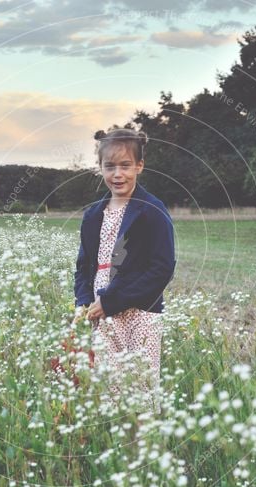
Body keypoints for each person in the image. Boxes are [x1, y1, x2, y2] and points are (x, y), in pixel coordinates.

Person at [73, 128, 176, 414]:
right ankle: (118, 448)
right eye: (110, 166)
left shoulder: (152, 210)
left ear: (139, 166)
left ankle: (143, 450)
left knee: (141, 392)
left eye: (126, 166)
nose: (118, 174)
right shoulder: (93, 214)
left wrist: (113, 301)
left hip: (140, 312)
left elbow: (162, 267)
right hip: (101, 312)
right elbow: (83, 266)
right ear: (100, 168)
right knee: (109, 389)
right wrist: (84, 303)